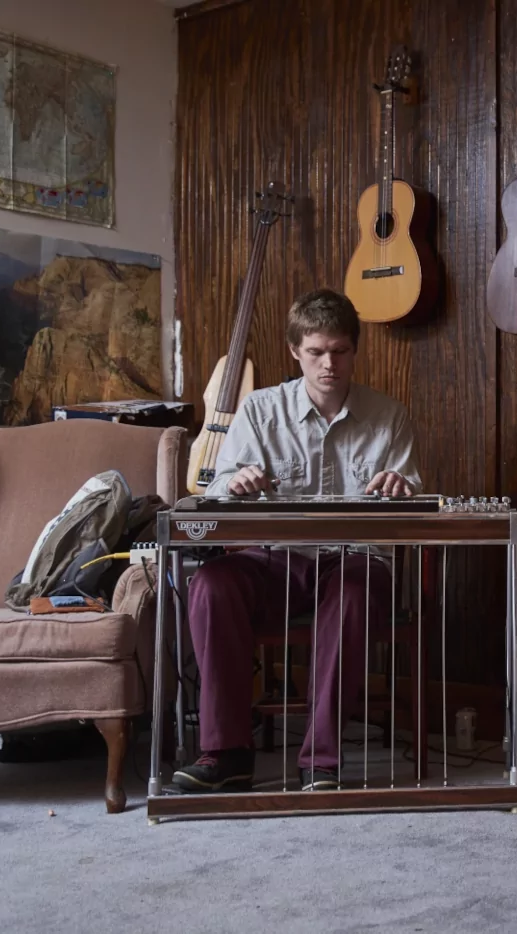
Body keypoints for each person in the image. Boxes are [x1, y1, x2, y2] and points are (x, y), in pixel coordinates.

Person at [173, 288, 423, 792]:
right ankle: (227, 755)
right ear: (295, 351)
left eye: (340, 350)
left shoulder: (389, 415)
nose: (329, 363)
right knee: (211, 584)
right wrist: (235, 483)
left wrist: (402, 488)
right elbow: (216, 489)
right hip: (274, 559)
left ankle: (321, 762)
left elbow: (413, 500)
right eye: (316, 352)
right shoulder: (259, 411)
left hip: (354, 560)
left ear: (355, 349)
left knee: (355, 592)